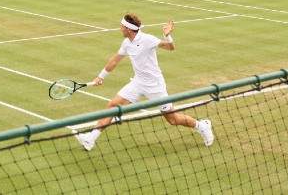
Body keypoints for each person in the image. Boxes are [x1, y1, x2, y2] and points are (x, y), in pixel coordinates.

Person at [75, 13, 213, 151]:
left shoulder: (147, 39)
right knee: (112, 105)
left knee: (172, 119)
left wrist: (167, 35)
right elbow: (115, 60)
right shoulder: (127, 43)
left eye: (122, 26)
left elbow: (171, 48)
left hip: (155, 86)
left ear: (129, 29)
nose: (120, 29)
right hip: (138, 83)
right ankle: (91, 138)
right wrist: (100, 77)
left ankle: (202, 126)